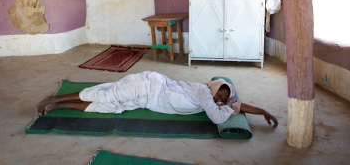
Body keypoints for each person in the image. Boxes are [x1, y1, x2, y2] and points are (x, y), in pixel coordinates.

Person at [36, 71, 278, 127]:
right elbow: (218, 118)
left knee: (106, 106)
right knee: (104, 94)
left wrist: (263, 111)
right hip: (146, 86)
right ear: (213, 88)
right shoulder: (205, 93)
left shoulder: (213, 100)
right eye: (220, 92)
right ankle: (54, 97)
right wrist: (226, 109)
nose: (220, 97)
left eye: (224, 97)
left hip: (144, 98)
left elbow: (238, 105)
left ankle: (59, 105)